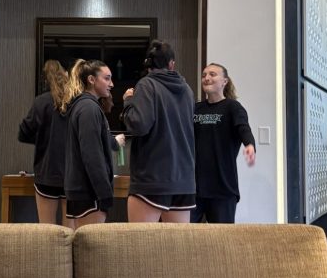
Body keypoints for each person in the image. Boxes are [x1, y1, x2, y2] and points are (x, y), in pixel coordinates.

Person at [122, 40, 196, 223]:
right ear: (171, 64)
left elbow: (139, 125)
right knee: (177, 241)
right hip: (183, 180)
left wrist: (128, 102)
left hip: (151, 179)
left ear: (148, 64)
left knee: (141, 240)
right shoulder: (187, 90)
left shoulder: (147, 85)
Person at [193, 63, 256, 223]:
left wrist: (249, 145)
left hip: (223, 189)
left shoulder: (232, 107)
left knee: (222, 237)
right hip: (194, 188)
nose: (207, 78)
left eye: (212, 74)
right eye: (204, 75)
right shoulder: (195, 109)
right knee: (186, 235)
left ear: (224, 81)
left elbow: (243, 128)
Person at [61, 59, 116, 228]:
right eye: (106, 78)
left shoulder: (85, 106)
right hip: (89, 191)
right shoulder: (88, 109)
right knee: (90, 242)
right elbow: (92, 155)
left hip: (83, 189)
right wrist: (104, 193)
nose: (111, 84)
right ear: (91, 80)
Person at [18, 60, 72, 227]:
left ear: (45, 80)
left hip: (46, 172)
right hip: (72, 174)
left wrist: (42, 138)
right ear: (65, 75)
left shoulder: (40, 102)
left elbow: (23, 133)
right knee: (70, 231)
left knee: (47, 230)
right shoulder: (76, 101)